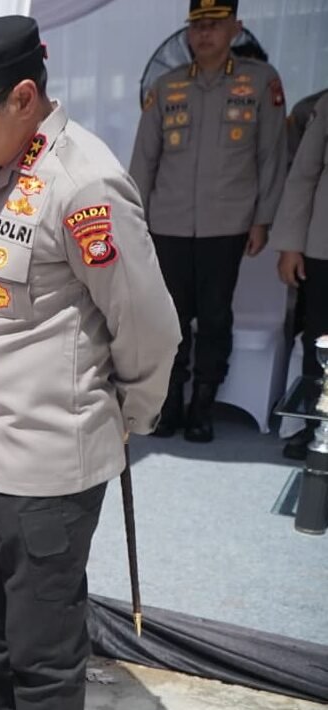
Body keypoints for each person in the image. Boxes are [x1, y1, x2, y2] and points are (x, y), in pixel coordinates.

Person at [0, 15, 180, 710]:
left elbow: (147, 327)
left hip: (48, 469)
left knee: (43, 649)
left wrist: (127, 418)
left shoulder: (84, 184)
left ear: (23, 98)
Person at [129, 0, 288, 443]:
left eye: (215, 25)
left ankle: (203, 405)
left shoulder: (260, 83)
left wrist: (263, 219)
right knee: (168, 318)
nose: (204, 34)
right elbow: (143, 161)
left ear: (236, 28)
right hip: (168, 222)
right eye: (197, 26)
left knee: (215, 317)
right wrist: (133, 219)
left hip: (227, 221)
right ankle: (170, 405)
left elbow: (271, 157)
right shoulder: (166, 87)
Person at [271, 91, 328, 460]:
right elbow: (303, 175)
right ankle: (313, 425)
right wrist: (291, 245)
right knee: (319, 340)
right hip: (323, 245)